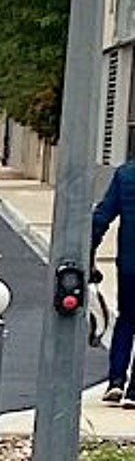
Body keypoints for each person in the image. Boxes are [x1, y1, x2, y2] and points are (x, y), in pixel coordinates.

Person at [92, 149, 135, 400]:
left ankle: (116, 380)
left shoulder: (126, 175)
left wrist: (89, 250)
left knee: (127, 318)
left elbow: (102, 216)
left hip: (129, 263)